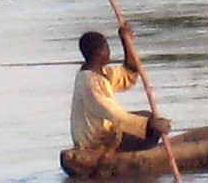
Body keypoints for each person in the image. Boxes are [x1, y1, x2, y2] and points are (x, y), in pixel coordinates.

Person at [70, 24, 171, 152]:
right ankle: (131, 159)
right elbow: (116, 116)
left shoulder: (100, 74)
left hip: (101, 133)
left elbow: (130, 72)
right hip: (97, 141)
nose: (109, 50)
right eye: (107, 47)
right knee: (152, 127)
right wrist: (150, 124)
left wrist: (126, 41)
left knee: (148, 116)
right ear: (100, 52)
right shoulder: (91, 83)